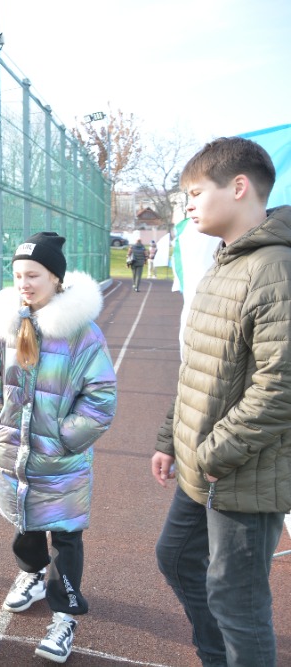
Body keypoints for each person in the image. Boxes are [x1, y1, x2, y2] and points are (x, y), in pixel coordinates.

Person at [151, 137, 291, 667]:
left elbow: (280, 386)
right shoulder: (224, 262)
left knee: (239, 603)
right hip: (203, 461)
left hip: (239, 471)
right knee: (178, 557)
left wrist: (214, 453)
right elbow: (198, 365)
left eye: (194, 193)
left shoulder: (275, 268)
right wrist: (171, 438)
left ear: (238, 187)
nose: (188, 205)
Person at [0, 232, 117, 663]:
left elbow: (101, 397)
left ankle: (65, 616)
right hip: (13, 454)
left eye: (33, 275)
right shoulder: (4, 327)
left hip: (61, 460)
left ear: (55, 278)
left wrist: (64, 438)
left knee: (66, 539)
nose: (24, 283)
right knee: (24, 525)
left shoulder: (82, 334)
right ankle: (32, 575)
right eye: (18, 274)